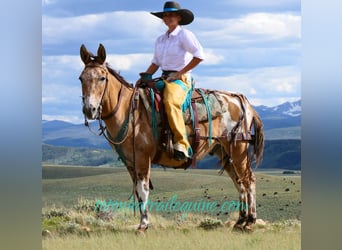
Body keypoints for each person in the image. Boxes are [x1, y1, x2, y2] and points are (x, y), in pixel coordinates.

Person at [139, 1, 204, 161]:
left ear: (179, 17)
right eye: (165, 15)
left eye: (171, 15)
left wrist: (179, 73)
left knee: (170, 100)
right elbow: (155, 63)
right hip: (164, 76)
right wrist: (144, 77)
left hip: (180, 79)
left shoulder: (185, 35)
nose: (168, 18)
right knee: (141, 97)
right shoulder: (160, 40)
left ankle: (182, 143)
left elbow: (199, 55)